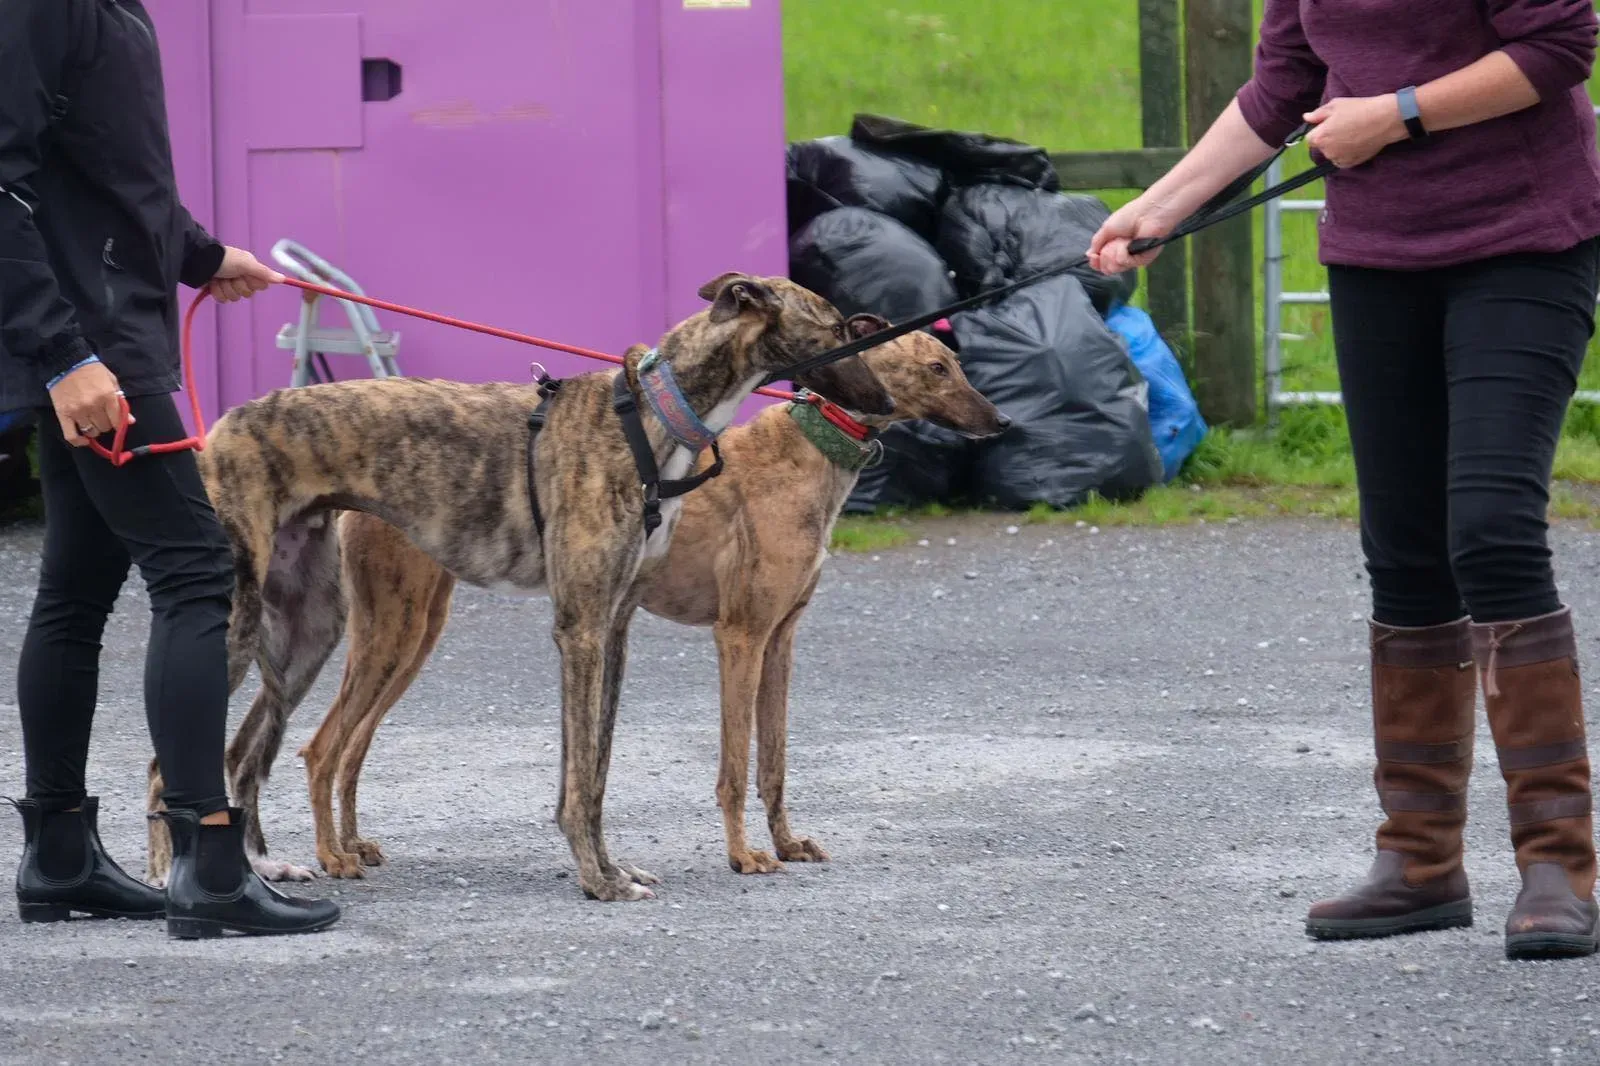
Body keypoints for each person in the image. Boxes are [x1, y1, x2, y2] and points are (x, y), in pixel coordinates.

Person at [1092, 0, 1600, 961]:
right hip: (1380, 254)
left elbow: (1560, 47)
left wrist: (1396, 111)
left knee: (1490, 527)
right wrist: (1164, 205)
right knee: (1404, 552)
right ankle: (1419, 862)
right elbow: (1282, 84)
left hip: (1526, 242)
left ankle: (1558, 864)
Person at [2, 0, 340, 938]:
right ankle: (210, 863)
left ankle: (60, 856)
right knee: (196, 574)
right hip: (91, 344)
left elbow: (108, 171)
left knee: (74, 585)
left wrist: (199, 254)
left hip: (102, 333)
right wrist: (64, 356)